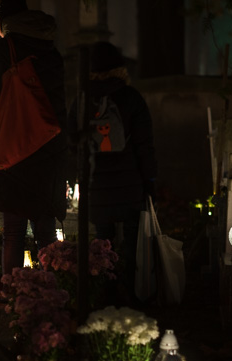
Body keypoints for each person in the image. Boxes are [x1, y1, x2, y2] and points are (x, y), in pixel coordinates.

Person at [0, 0, 68, 274]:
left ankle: (13, 291)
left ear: (2, 21)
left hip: (17, 147)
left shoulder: (7, 46)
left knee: (13, 230)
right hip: (48, 145)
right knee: (45, 227)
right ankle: (53, 287)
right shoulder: (51, 49)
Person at [67, 41, 157, 305]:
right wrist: (150, 181)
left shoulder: (82, 99)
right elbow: (145, 145)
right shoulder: (131, 98)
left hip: (96, 185)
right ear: (120, 68)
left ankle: (104, 294)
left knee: (101, 243)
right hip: (131, 185)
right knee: (132, 244)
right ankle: (132, 296)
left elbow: (72, 142)